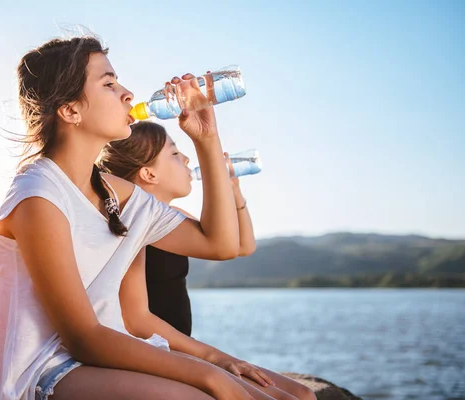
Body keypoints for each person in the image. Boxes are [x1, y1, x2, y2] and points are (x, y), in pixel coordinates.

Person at [0, 33, 306, 400]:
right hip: (44, 370)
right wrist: (210, 374)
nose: (127, 94)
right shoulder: (39, 196)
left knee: (295, 396)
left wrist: (206, 139)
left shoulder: (113, 192)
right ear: (71, 110)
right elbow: (83, 338)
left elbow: (219, 243)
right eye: (108, 83)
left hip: (106, 357)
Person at [98, 121, 316, 400]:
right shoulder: (131, 224)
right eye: (175, 154)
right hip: (158, 351)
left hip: (184, 348)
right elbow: (135, 319)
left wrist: (233, 191)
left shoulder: (173, 218)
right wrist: (213, 357)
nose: (187, 159)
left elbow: (241, 246)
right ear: (148, 173)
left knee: (303, 394)